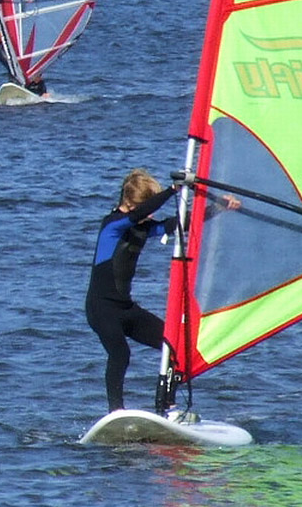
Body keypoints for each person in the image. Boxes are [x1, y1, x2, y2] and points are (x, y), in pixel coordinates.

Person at [83, 168, 237, 413]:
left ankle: (167, 405)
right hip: (101, 309)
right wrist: (172, 190)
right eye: (149, 207)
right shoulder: (112, 225)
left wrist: (218, 208)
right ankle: (115, 412)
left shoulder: (143, 226)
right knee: (120, 353)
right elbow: (140, 213)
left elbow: (177, 224)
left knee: (174, 346)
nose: (152, 213)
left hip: (126, 308)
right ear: (132, 204)